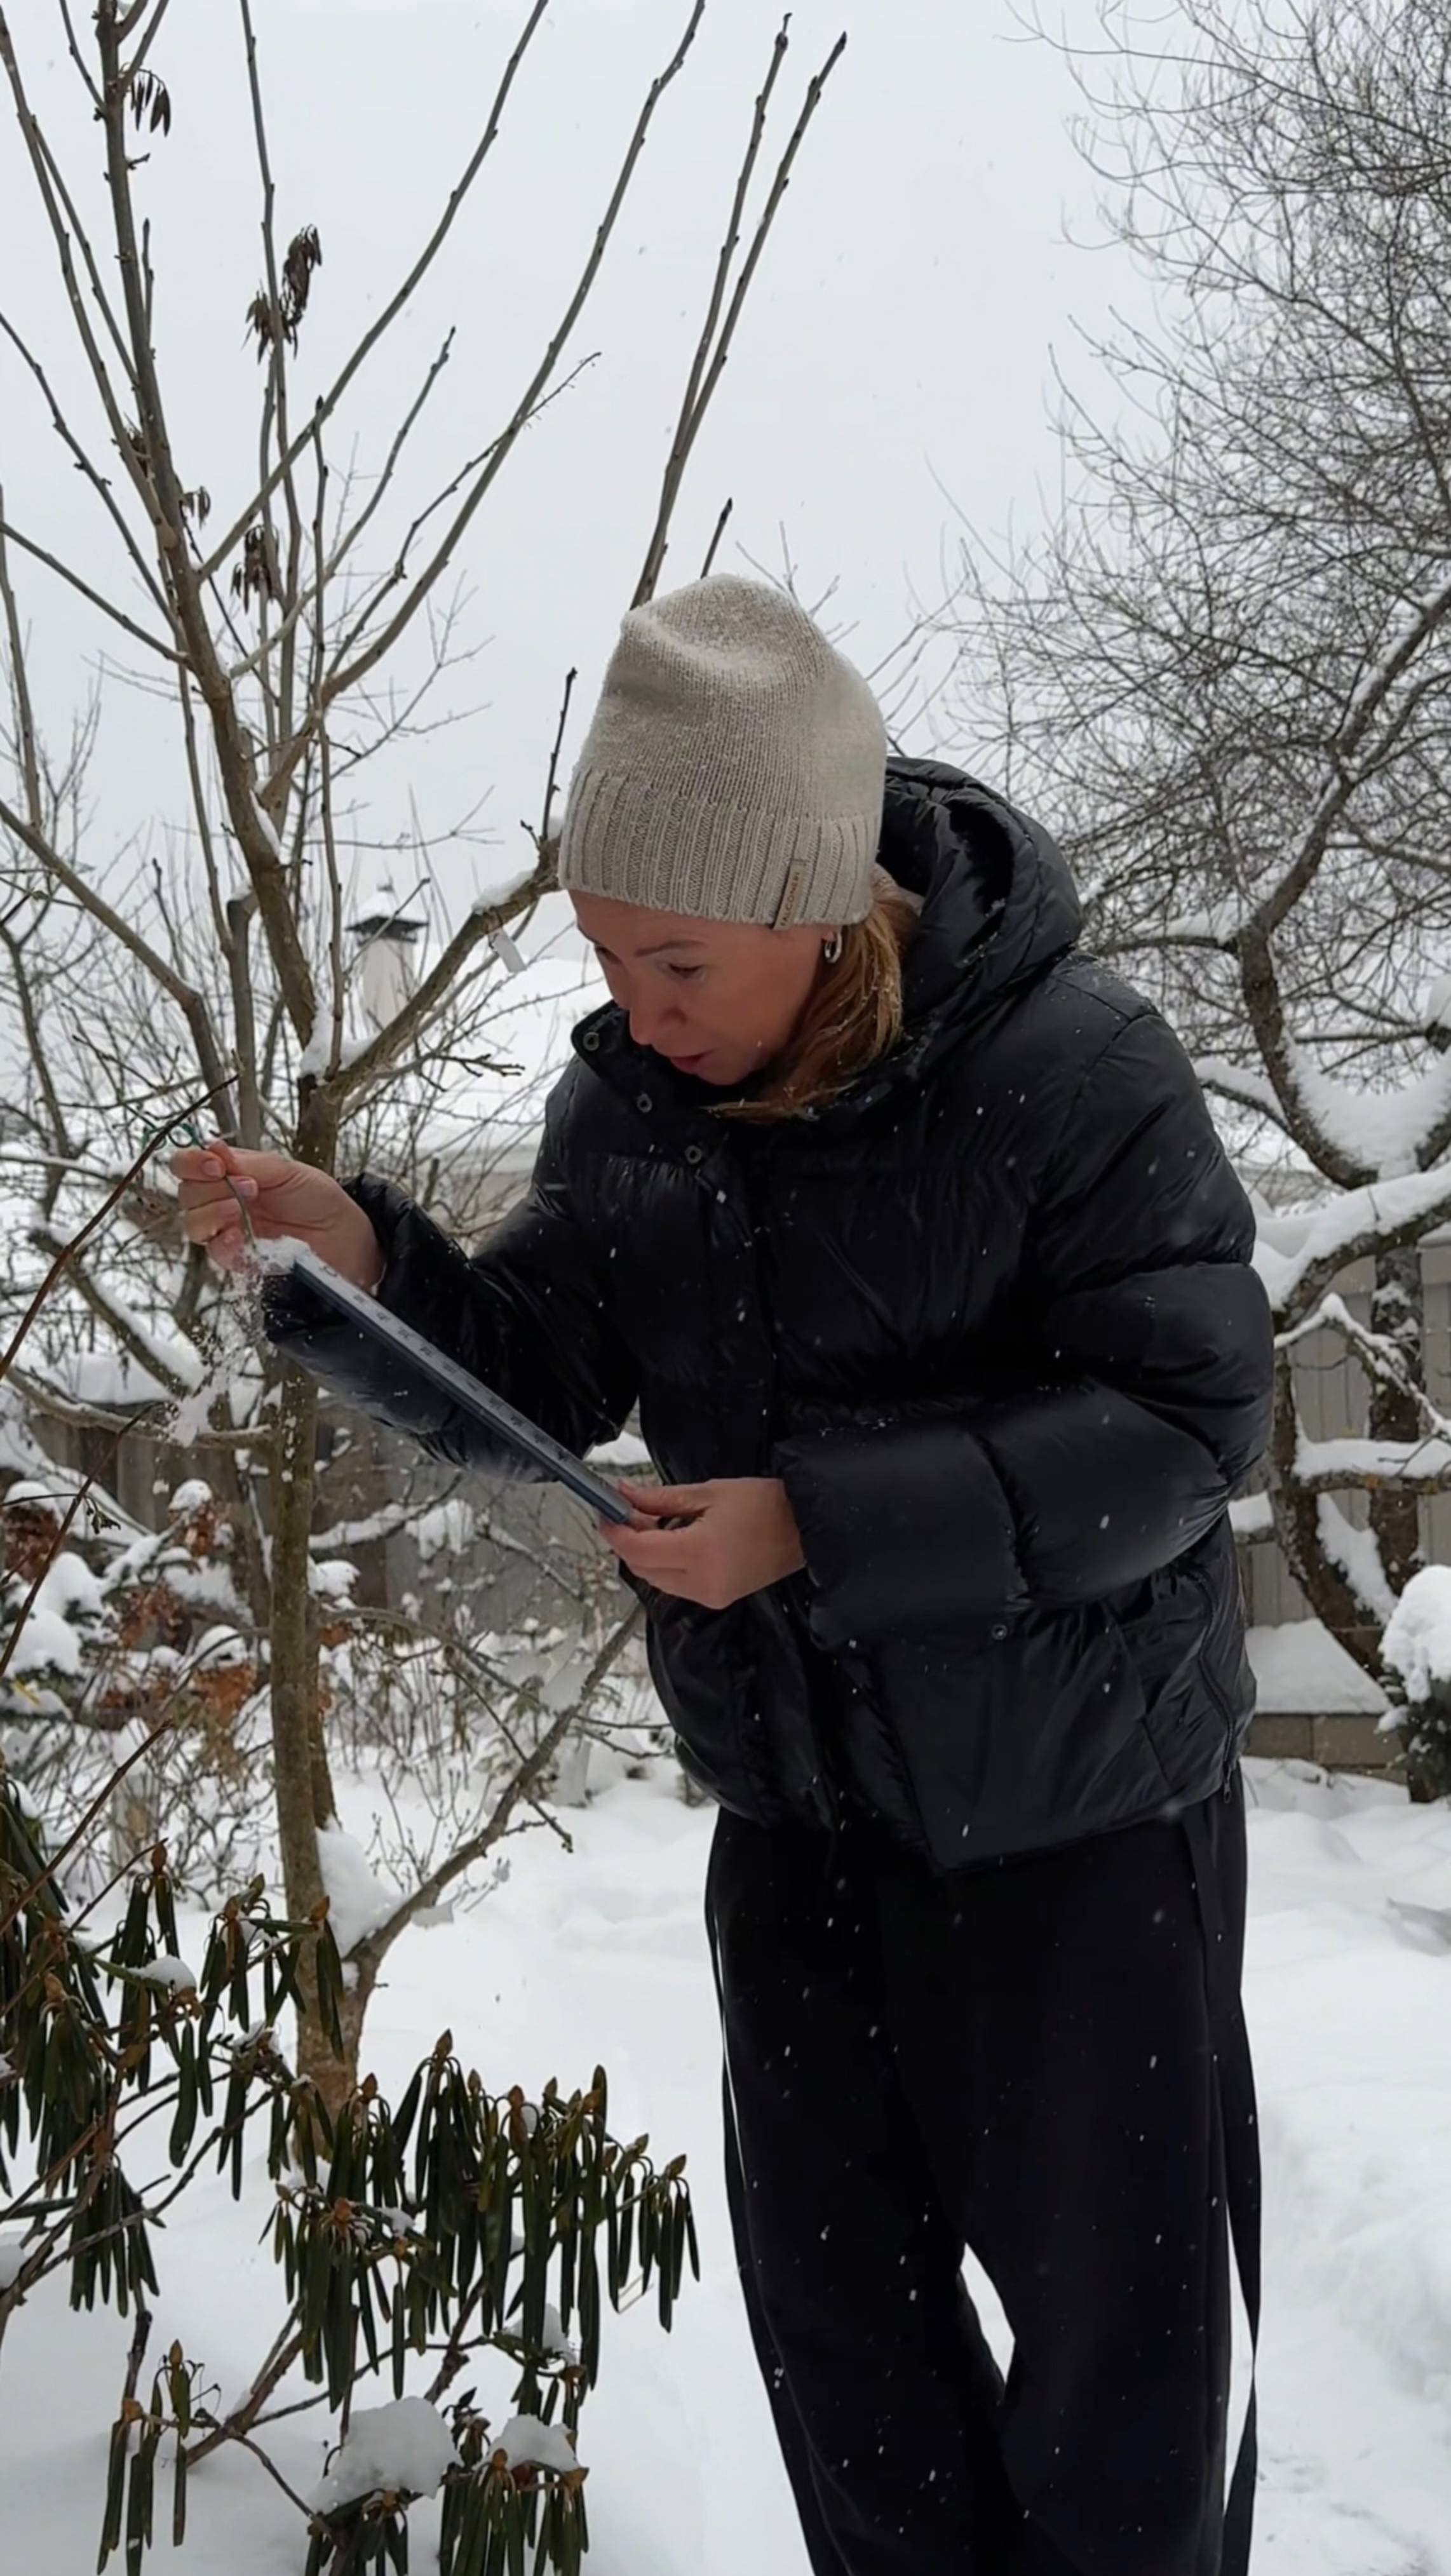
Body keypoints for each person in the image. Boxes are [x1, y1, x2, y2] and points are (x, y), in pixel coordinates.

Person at [175, 577, 1274, 2576]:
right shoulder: (630, 1106)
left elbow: (1186, 1433)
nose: (634, 1007)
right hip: (800, 1831)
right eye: (603, 958)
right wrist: (367, 1268)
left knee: (1119, 2406)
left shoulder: (1075, 1075)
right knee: (855, 2394)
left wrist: (814, 1521)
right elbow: (544, 1368)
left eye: (672, 961)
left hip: (1081, 1836)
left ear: (823, 909)